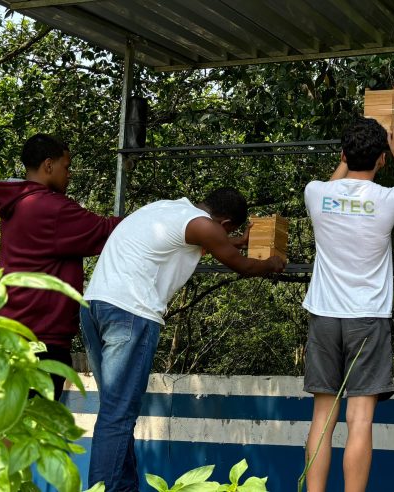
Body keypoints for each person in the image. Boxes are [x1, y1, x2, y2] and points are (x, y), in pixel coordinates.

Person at [80, 187, 286, 491]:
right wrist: (271, 263)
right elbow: (242, 265)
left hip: (95, 307)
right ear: (225, 223)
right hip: (131, 313)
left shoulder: (169, 210)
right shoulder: (203, 225)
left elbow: (194, 242)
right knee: (118, 415)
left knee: (114, 412)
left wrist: (234, 241)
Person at [302, 118, 394, 492]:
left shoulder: (316, 193)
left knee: (322, 418)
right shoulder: (391, 200)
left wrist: (347, 159)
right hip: (367, 318)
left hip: (324, 315)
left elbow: (336, 185)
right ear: (382, 160)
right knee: (361, 419)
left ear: (341, 154)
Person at [0, 133, 121, 401]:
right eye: (67, 166)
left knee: (14, 426)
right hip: (40, 339)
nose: (70, 173)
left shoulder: (18, 203)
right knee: (36, 429)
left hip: (13, 333)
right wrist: (157, 218)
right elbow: (106, 231)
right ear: (49, 165)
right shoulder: (49, 207)